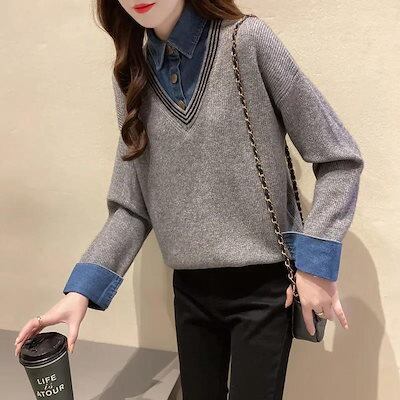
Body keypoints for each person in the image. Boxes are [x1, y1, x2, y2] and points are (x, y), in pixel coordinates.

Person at [15, 1, 364, 399]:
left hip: (264, 289)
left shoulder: (246, 42)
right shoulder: (131, 75)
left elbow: (339, 158)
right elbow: (132, 206)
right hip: (190, 293)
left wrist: (315, 266)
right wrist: (80, 291)